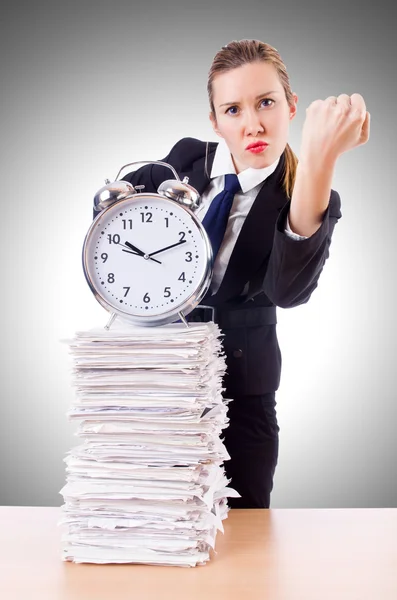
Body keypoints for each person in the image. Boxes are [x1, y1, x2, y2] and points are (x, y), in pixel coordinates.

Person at [118, 39, 370, 508]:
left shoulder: (305, 196)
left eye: (266, 103)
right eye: (233, 110)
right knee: (149, 520)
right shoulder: (183, 161)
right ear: (215, 121)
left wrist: (320, 158)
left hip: (241, 394)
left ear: (291, 106)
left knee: (245, 534)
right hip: (158, 381)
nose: (252, 124)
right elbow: (117, 233)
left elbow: (287, 290)